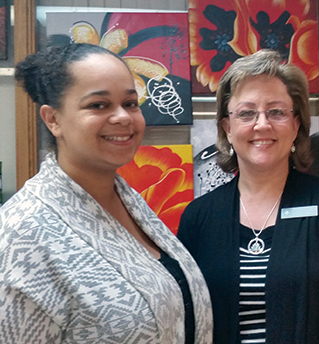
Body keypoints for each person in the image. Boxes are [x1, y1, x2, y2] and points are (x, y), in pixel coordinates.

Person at [0, 44, 213, 344]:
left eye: (130, 103)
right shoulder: (21, 235)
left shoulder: (128, 200)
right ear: (53, 119)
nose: (123, 117)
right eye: (98, 105)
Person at [176, 49, 319, 343]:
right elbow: (187, 319)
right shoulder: (199, 217)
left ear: (296, 124)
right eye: (246, 113)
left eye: (276, 111)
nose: (262, 124)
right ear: (228, 128)